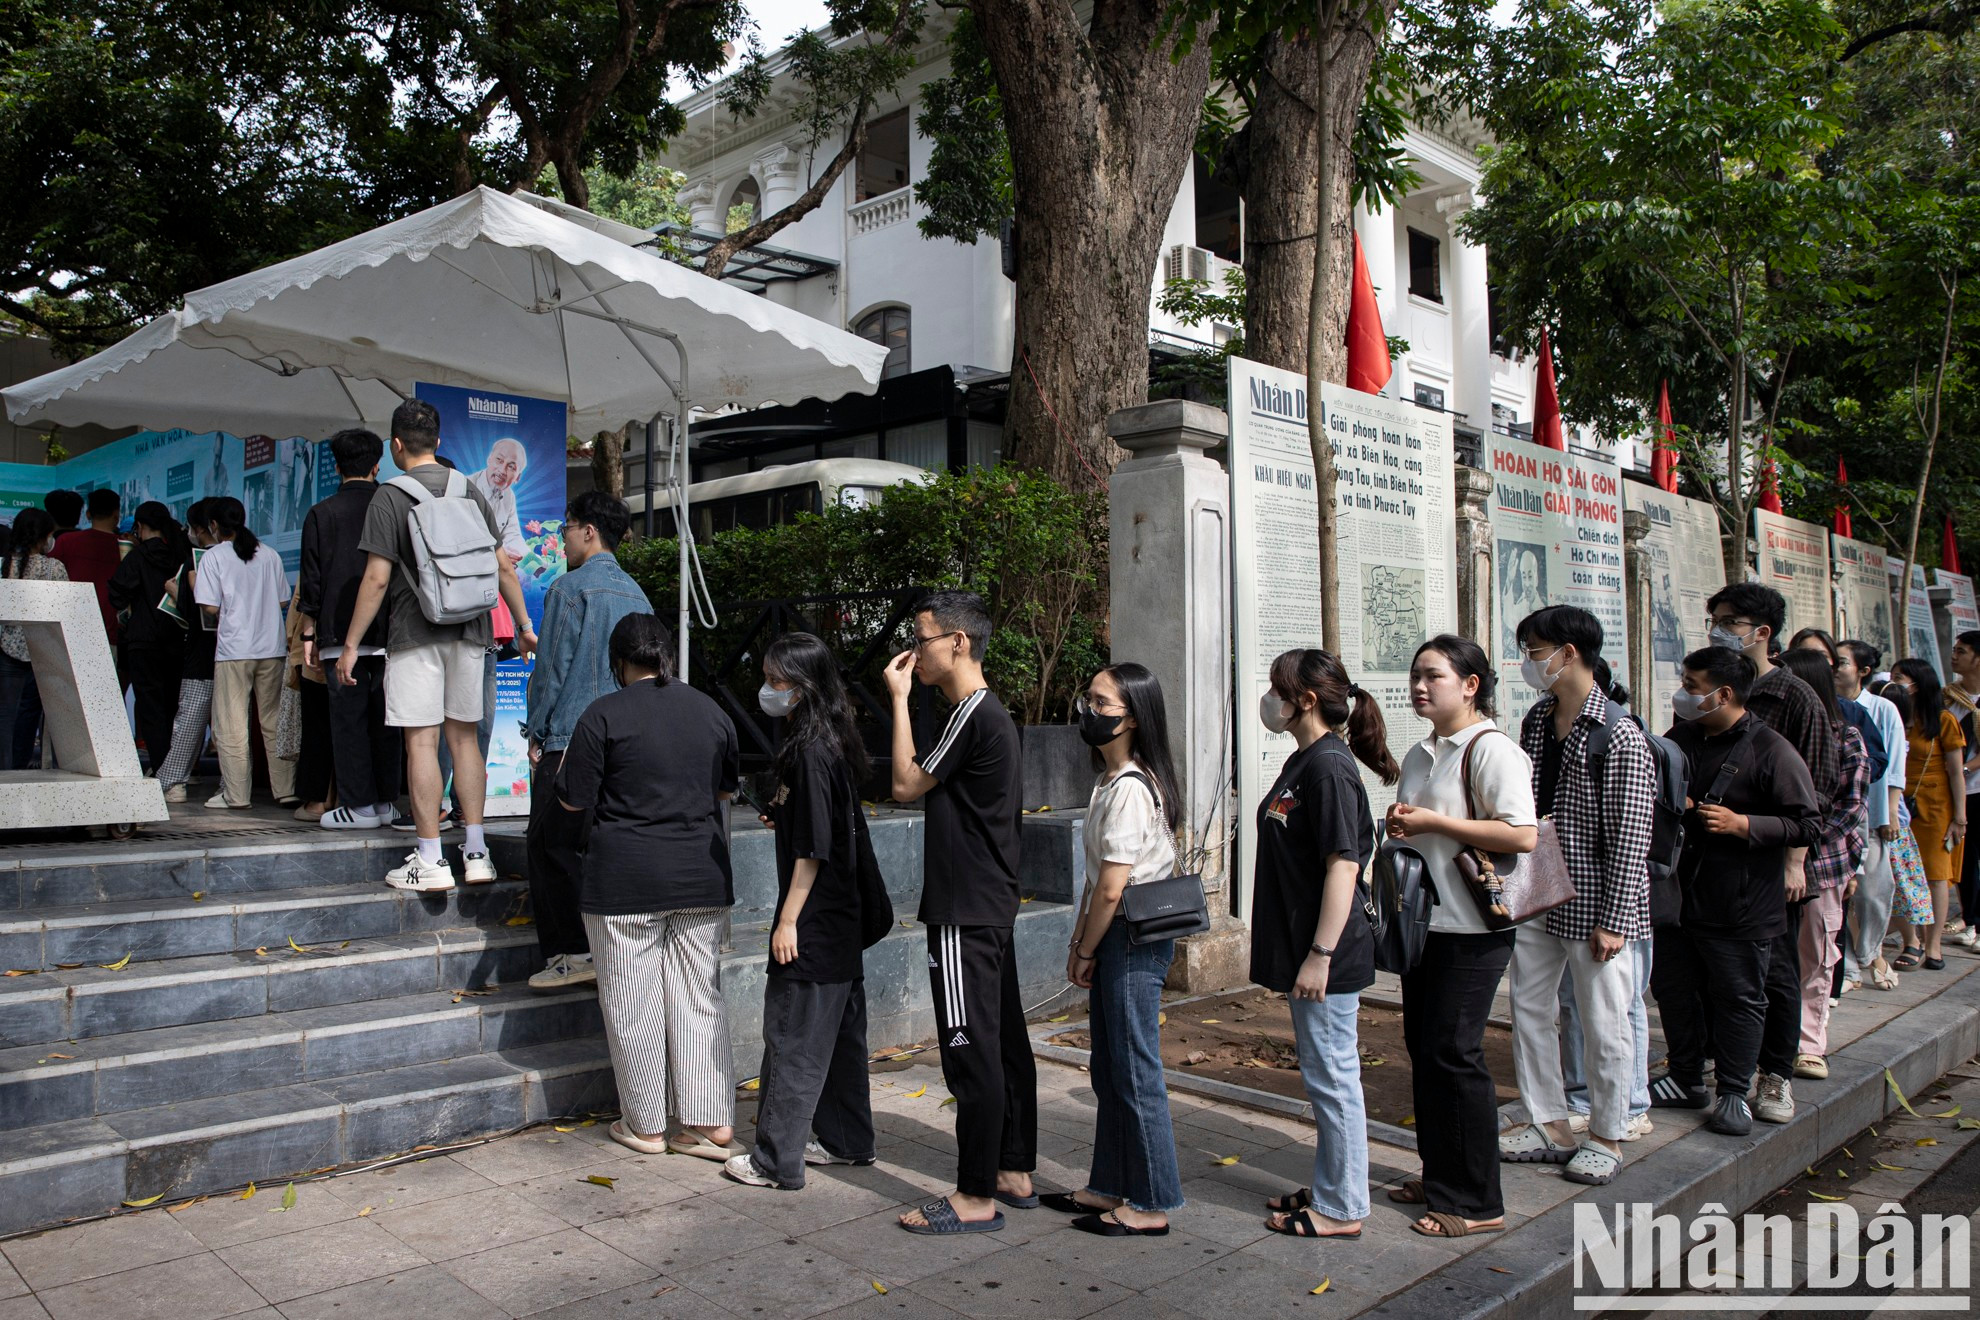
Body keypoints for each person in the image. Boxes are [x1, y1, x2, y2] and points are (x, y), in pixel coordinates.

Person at [557, 613, 741, 1160]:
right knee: (697, 996)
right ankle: (709, 1123)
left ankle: (646, 1125)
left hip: (624, 879)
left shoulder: (602, 714)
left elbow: (573, 800)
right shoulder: (711, 712)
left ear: (619, 662)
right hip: (700, 874)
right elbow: (725, 792)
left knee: (632, 1000)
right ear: (668, 656)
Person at [882, 590, 1035, 1236]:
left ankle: (976, 1195)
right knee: (1002, 1040)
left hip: (964, 906)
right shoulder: (982, 713)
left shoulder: (974, 713)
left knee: (968, 1047)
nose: (914, 651)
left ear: (958, 642)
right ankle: (1012, 1169)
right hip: (987, 900)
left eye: (923, 638)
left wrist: (895, 702)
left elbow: (904, 785)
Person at [337, 399, 536, 892]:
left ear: (396, 444)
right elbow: (503, 567)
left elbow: (377, 579)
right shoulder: (468, 489)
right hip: (471, 632)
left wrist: (350, 645)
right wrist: (525, 625)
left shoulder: (389, 496)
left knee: (421, 741)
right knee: (465, 740)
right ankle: (476, 851)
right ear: (440, 442)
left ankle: (429, 859)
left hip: (415, 634)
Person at [1032, 662, 1194, 1236]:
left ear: (1133, 718)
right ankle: (1108, 1184)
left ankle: (1152, 1201)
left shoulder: (1129, 787)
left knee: (1135, 1070)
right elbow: (1094, 880)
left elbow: (1111, 886)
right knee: (1110, 1069)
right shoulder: (1113, 780)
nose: (1089, 711)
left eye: (1103, 705)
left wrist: (1085, 947)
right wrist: (1082, 941)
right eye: (1089, 699)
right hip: (1113, 934)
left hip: (1130, 936)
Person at [1386, 635, 1537, 1239]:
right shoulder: (1422, 753)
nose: (1420, 686)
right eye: (1416, 676)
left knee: (1456, 1054)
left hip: (1475, 929)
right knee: (1427, 1052)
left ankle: (1476, 1200)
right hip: (1427, 924)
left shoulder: (1493, 750)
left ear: (1471, 685)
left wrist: (1432, 822)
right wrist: (1404, 827)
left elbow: (1520, 835)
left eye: (1433, 676)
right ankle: (1440, 1171)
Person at [1500, 606, 1656, 1188]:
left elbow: (1633, 836)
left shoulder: (1620, 734)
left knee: (1603, 1021)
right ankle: (1550, 1123)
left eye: (1536, 650)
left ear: (1569, 653)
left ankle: (1609, 1135)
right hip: (1540, 893)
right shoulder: (1538, 721)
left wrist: (1616, 919)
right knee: (1531, 1011)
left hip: (1599, 907)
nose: (1529, 661)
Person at [1245, 650, 1396, 1241]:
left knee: (1334, 1078)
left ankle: (1342, 1206)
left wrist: (1320, 955)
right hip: (1310, 949)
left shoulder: (1328, 768)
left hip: (1328, 955)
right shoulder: (1308, 760)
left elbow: (1344, 867)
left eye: (1276, 688)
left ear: (1304, 700)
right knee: (1325, 1075)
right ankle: (1336, 1183)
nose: (1269, 699)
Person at [724, 632, 880, 1192]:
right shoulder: (829, 740)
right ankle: (846, 1140)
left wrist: (787, 919)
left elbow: (813, 849)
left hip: (814, 920)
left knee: (792, 1036)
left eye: (776, 679)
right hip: (843, 920)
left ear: (802, 686)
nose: (768, 689)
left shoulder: (811, 751)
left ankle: (775, 1159)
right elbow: (816, 823)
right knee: (839, 1038)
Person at [1653, 647, 1821, 1136]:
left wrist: (1744, 823)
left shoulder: (1771, 750)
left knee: (1740, 996)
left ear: (1723, 694)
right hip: (1679, 896)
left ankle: (1732, 1090)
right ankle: (1686, 1076)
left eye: (1692, 684)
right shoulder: (1681, 738)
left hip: (1742, 901)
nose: (1683, 693)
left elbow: (1807, 822)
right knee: (1675, 989)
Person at [1706, 583, 1834, 1126]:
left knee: (1775, 970)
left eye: (1729, 620)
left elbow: (1817, 790)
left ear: (1761, 632)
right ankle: (1725, 1070)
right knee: (1724, 972)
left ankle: (1774, 1075)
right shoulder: (1715, 683)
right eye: (1714, 618)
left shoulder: (1795, 698)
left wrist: (1794, 862)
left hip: (1771, 858)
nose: (1717, 628)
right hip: (1714, 861)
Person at [523, 490, 648, 991]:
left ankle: (571, 953)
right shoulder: (638, 594)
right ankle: (608, 950)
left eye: (566, 529)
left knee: (550, 843)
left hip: (570, 736)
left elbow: (551, 671)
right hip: (625, 739)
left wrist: (537, 731)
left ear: (588, 530)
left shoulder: (568, 589)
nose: (563, 539)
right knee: (599, 845)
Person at [1773, 647, 1868, 1085]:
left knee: (1815, 956)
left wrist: (1803, 843)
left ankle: (1809, 1045)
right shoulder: (1774, 733)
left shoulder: (1845, 737)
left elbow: (1849, 807)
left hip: (1823, 865)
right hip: (1770, 860)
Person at [298, 430, 400, 829]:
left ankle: (357, 805)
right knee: (388, 720)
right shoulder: (394, 507)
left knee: (348, 722)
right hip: (392, 632)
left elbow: (313, 580)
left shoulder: (321, 513)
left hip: (338, 636)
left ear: (336, 467)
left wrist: (308, 633)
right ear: (377, 465)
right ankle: (385, 803)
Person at [192, 497, 293, 809]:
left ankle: (236, 795)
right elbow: (281, 601)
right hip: (272, 648)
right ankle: (286, 789)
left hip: (235, 649)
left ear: (213, 525)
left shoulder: (213, 557)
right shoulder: (270, 555)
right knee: (275, 720)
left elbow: (210, 606)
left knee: (232, 723)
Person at [1836, 640, 1907, 992]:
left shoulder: (1880, 709)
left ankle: (1872, 952)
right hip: (1839, 816)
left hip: (1875, 814)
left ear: (1863, 671)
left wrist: (1890, 812)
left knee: (1875, 892)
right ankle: (1848, 967)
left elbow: (1893, 764)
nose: (1835, 667)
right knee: (1841, 896)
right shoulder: (1826, 707)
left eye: (1842, 662)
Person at [1891, 657, 1966, 971]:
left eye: (1899, 678)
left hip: (1934, 806)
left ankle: (1933, 945)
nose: (1892, 682)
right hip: (1898, 804)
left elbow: (1955, 773)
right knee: (1900, 873)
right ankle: (1912, 942)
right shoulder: (1892, 714)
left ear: (1917, 684)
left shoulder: (1943, 719)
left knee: (1935, 876)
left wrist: (1959, 816)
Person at [108, 502, 191, 775]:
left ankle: (162, 769)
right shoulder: (180, 554)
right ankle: (178, 770)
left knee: (151, 708)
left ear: (140, 527)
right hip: (177, 639)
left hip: (143, 641)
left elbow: (116, 594)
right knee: (172, 708)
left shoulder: (136, 557)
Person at [155, 504, 218, 803]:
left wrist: (176, 591)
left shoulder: (202, 562)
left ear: (204, 527)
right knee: (232, 726)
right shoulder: (253, 555)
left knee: (190, 717)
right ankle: (232, 788)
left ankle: (171, 782)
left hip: (202, 652)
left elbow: (199, 610)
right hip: (239, 651)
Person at [0, 509, 67, 770]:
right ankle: (22, 770)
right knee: (33, 717)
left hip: (6, 651)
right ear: (44, 536)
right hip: (44, 652)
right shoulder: (54, 567)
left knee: (5, 717)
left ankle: (5, 772)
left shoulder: (4, 566)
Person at [51, 488, 125, 649]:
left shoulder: (65, 541)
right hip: (109, 628)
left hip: (70, 625)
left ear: (88, 514)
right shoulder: (125, 547)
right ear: (116, 515)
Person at [1947, 632, 1980, 950]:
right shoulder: (1950, 697)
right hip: (1958, 792)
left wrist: (1966, 769)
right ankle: (1971, 920)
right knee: (1965, 858)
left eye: (1962, 651)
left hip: (1975, 784)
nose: (1954, 655)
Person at [470, 438, 530, 562]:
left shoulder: (509, 496)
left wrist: (529, 558)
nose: (502, 470)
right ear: (489, 459)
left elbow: (512, 535)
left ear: (517, 477)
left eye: (511, 467)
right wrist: (499, 554)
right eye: (499, 460)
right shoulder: (465, 487)